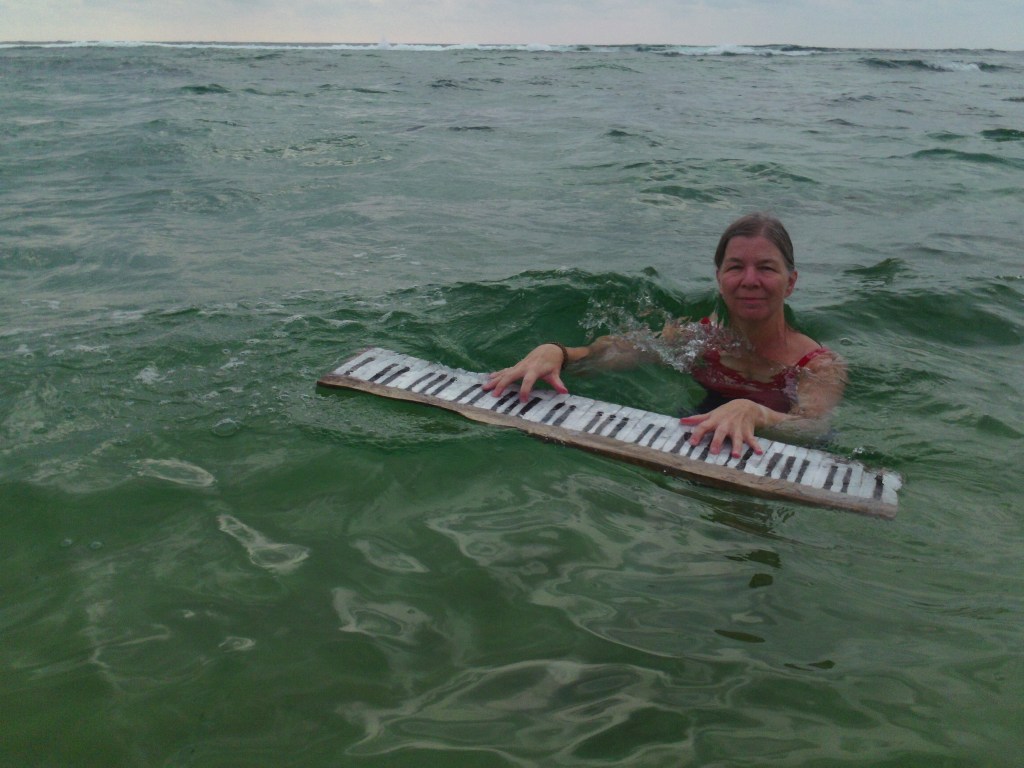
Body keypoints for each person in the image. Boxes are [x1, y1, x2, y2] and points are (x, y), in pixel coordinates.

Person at [482, 212, 846, 458]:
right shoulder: (698, 340)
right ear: (720, 280)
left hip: (777, 450)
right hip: (700, 431)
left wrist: (758, 413)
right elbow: (612, 354)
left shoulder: (817, 365)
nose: (750, 280)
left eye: (766, 268)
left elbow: (811, 426)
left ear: (791, 282)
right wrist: (558, 353)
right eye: (736, 267)